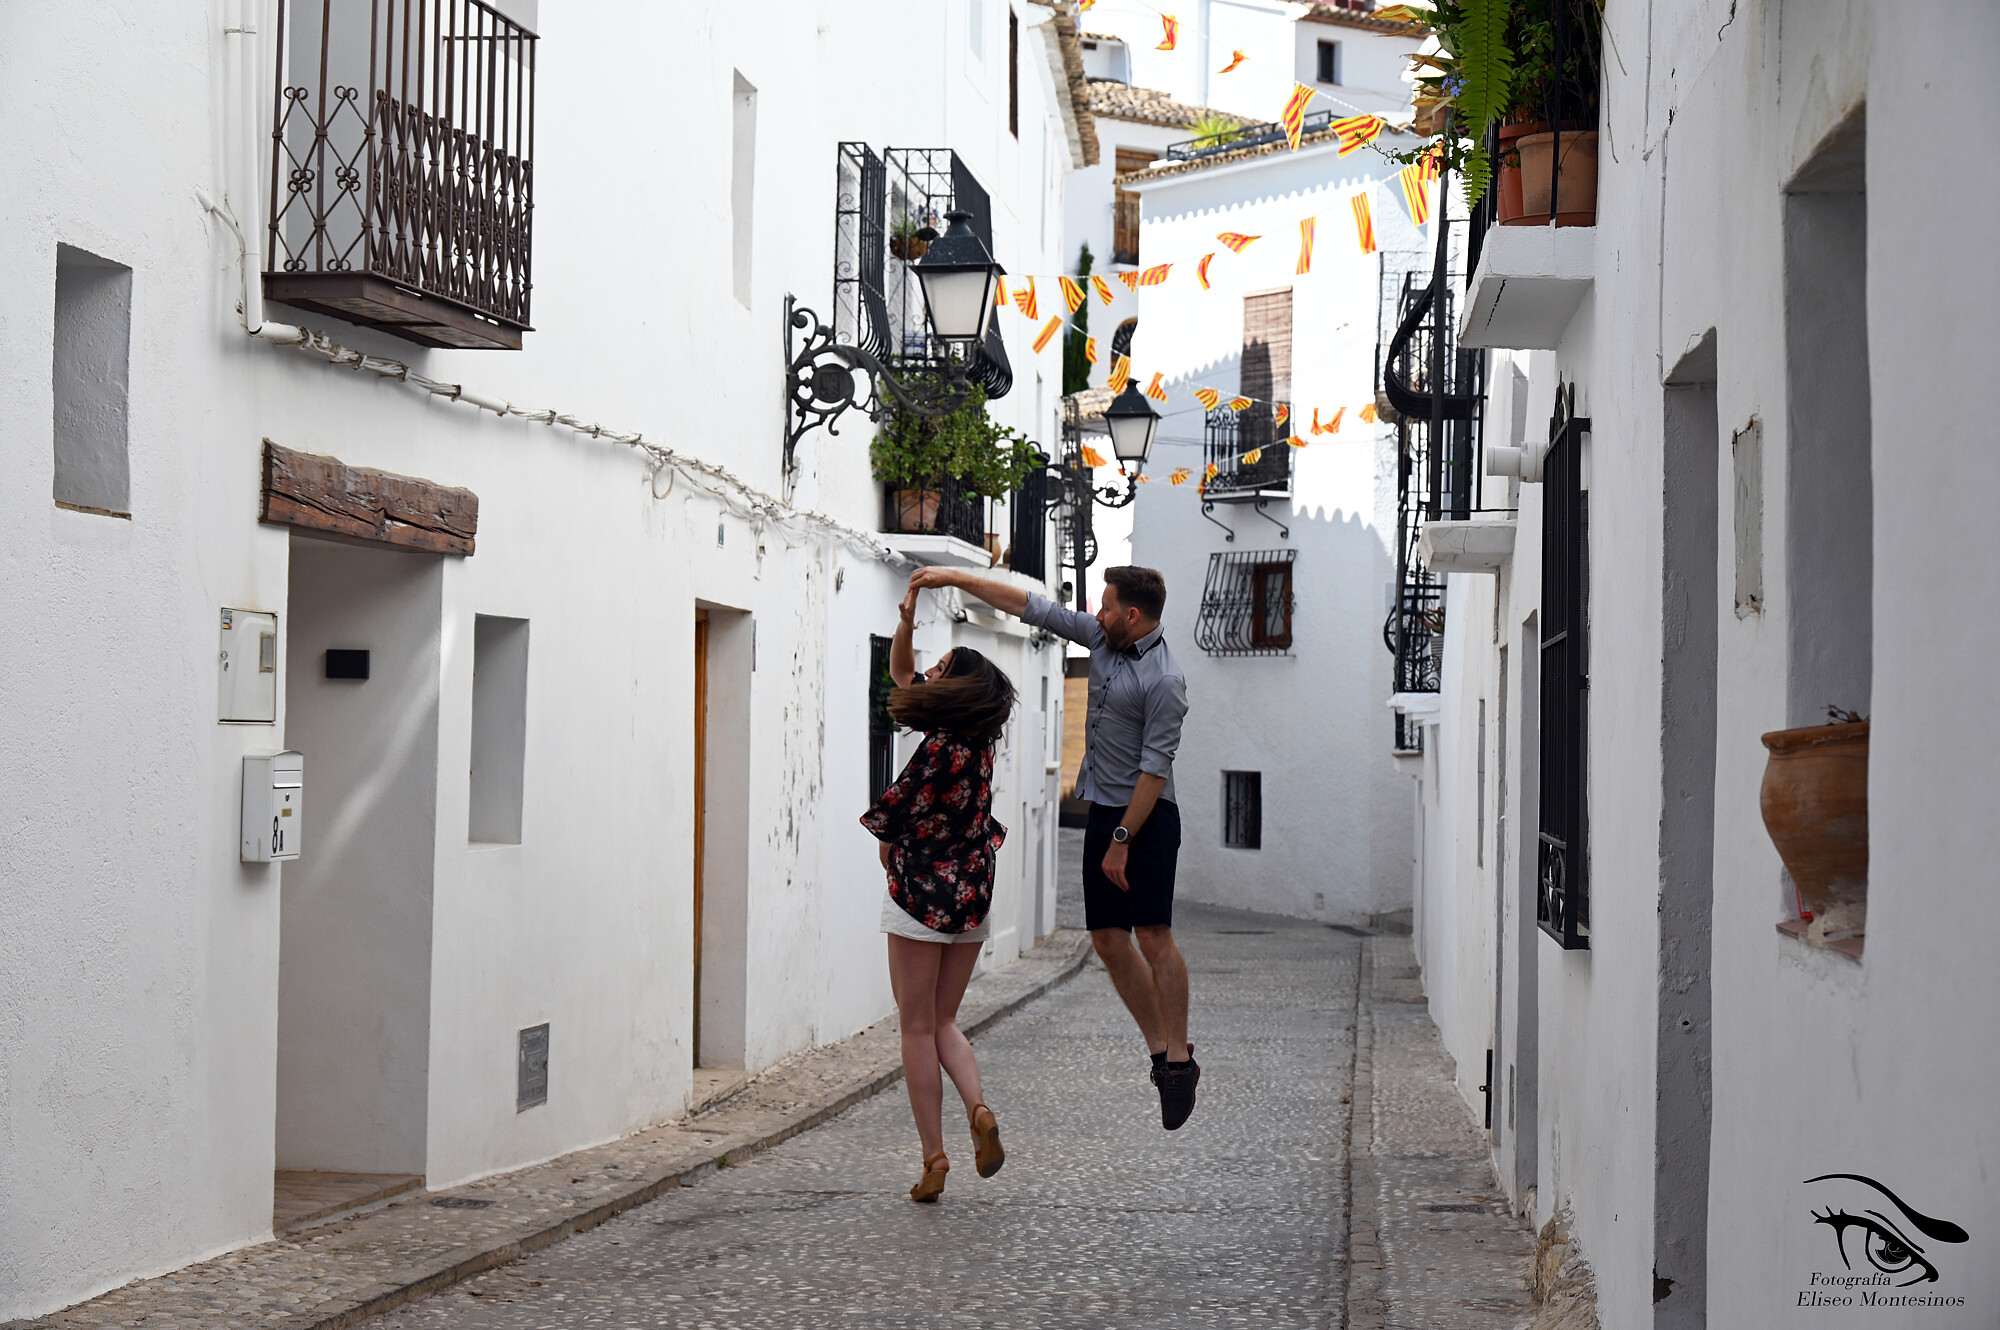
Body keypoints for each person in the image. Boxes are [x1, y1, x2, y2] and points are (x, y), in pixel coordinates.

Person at [907, 564, 1197, 1130]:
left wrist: (1122, 840)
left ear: (1132, 616)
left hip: (1148, 815)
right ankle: (1159, 1047)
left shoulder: (1167, 680)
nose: (1098, 614)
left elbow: (1154, 771)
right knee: (1108, 940)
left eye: (1107, 607)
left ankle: (1181, 1058)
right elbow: (1028, 606)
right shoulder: (1100, 639)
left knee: (1154, 934)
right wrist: (955, 579)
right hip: (1106, 810)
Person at [860, 582, 1017, 1202]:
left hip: (921, 896)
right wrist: (904, 626)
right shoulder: (979, 744)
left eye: (943, 668)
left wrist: (889, 851)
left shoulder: (938, 748)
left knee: (915, 1027)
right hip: (972, 892)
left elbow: (893, 814)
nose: (930, 672)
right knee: (947, 1019)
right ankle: (978, 1108)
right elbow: (904, 675)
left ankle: (935, 1157)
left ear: (957, 688)